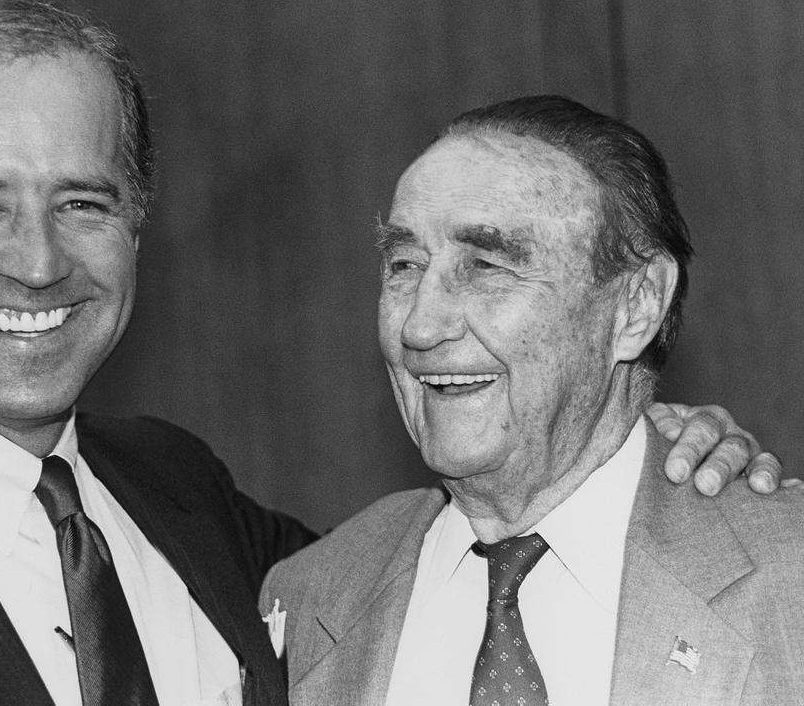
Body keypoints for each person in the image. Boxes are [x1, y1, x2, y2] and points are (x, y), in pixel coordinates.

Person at [0, 0, 780, 706]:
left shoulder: (186, 499)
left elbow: (529, 501)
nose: (38, 262)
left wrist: (639, 448)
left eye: (83, 202)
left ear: (134, 226)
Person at [260, 95, 804, 705]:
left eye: (487, 265)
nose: (420, 325)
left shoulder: (790, 578)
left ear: (637, 304)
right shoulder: (306, 600)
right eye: (405, 265)